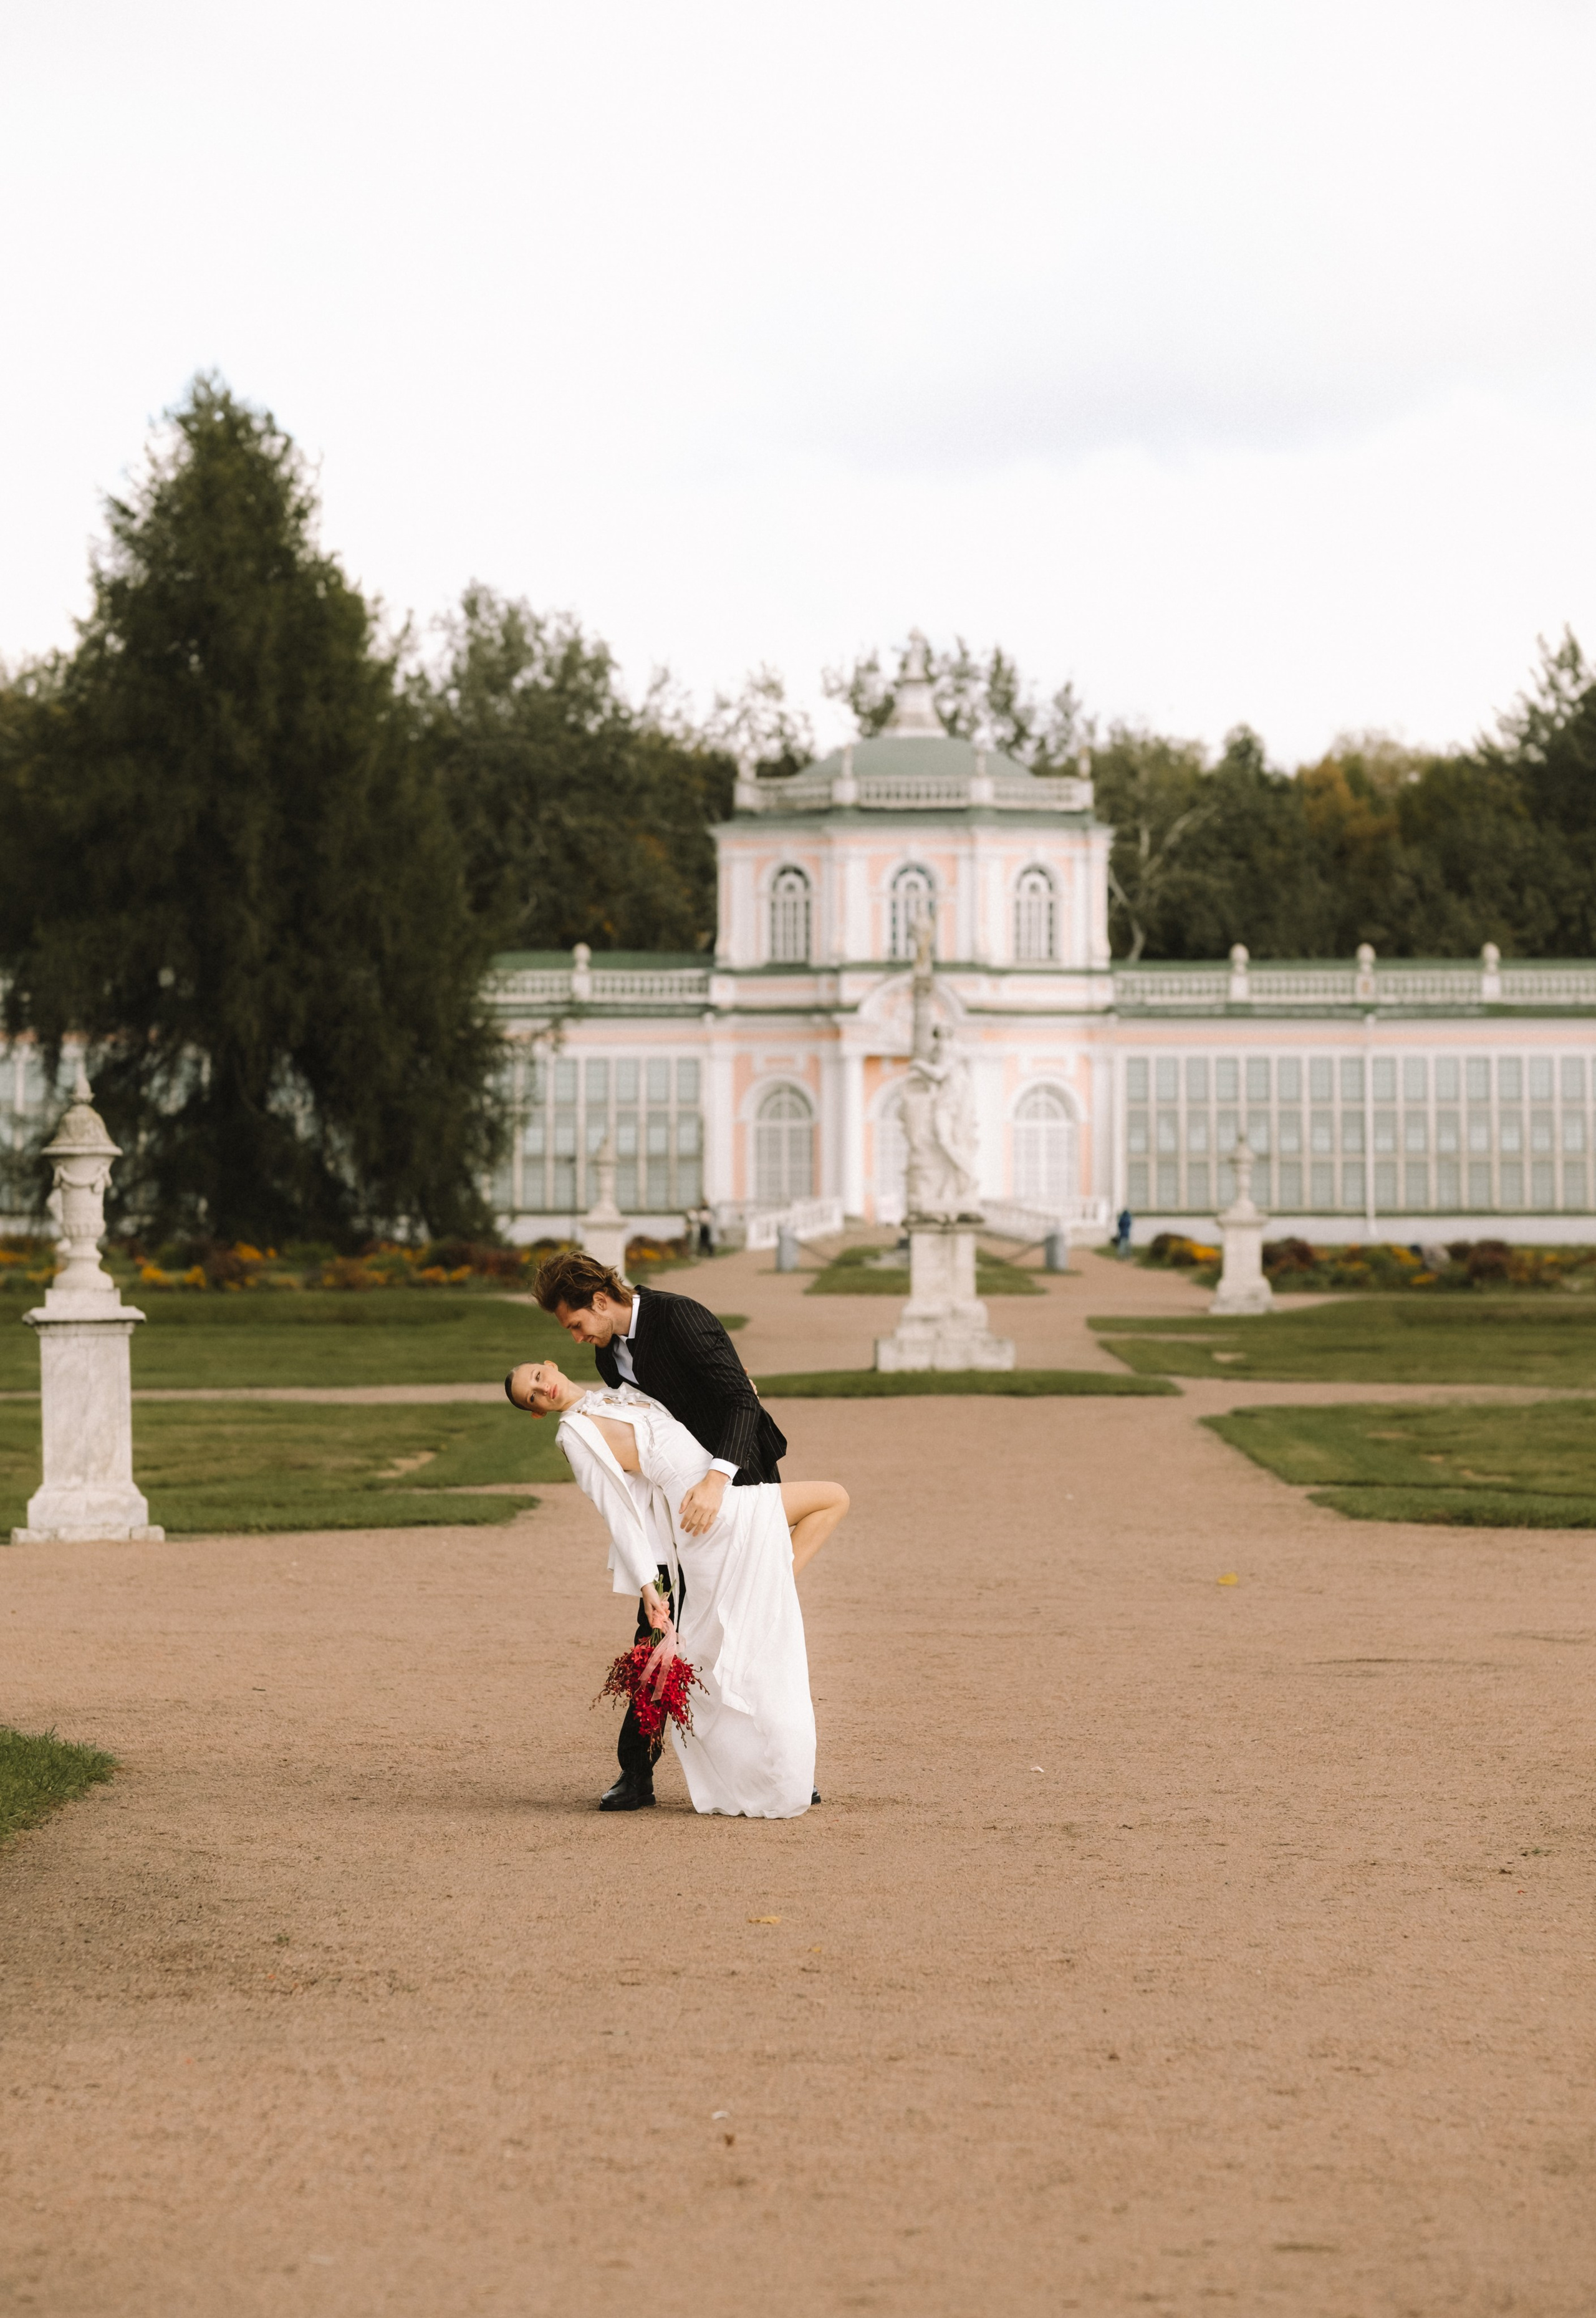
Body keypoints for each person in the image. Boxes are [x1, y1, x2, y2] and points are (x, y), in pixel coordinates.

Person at [505, 1357, 848, 1819]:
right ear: (535, 1411)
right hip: (671, 1541)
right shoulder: (575, 1433)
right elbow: (617, 1511)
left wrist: (736, 1390)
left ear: (552, 1366)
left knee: (716, 1654)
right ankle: (637, 1774)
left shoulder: (621, 1393)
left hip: (702, 1511)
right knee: (660, 1655)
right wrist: (649, 1584)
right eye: (532, 1395)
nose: (542, 1389)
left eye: (539, 1377)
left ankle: (773, 1768)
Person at [526, 1249, 789, 1809]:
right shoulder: (608, 1358)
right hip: (674, 1513)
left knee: (753, 1632)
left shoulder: (680, 1317)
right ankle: (638, 1771)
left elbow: (741, 1400)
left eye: (576, 1323)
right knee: (657, 1634)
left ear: (601, 1301)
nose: (575, 1337)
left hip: (737, 1481)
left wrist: (717, 1482)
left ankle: (778, 1767)